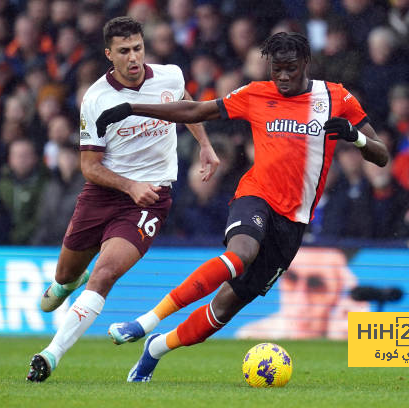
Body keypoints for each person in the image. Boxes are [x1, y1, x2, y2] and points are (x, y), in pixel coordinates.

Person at [96, 31, 389, 382]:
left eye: (290, 69)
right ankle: (146, 321)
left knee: (222, 309)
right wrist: (131, 108)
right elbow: (195, 109)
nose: (281, 77)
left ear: (305, 64)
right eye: (276, 69)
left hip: (293, 222)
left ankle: (156, 348)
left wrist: (355, 138)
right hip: (256, 195)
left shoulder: (336, 96)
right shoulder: (255, 94)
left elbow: (382, 154)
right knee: (241, 253)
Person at [25, 16, 219, 383]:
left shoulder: (170, 76)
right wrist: (129, 185)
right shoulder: (97, 99)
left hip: (152, 197)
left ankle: (51, 354)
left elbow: (185, 105)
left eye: (138, 49)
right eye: (125, 51)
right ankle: (67, 283)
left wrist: (205, 145)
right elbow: (89, 167)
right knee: (65, 276)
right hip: (104, 193)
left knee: (105, 274)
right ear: (109, 54)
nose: (134, 58)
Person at [235, 248, 369, 339]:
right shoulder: (252, 335)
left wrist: (360, 333)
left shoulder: (347, 332)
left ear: (338, 292)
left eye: (316, 285)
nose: (300, 301)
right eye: (291, 278)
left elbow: (386, 355)